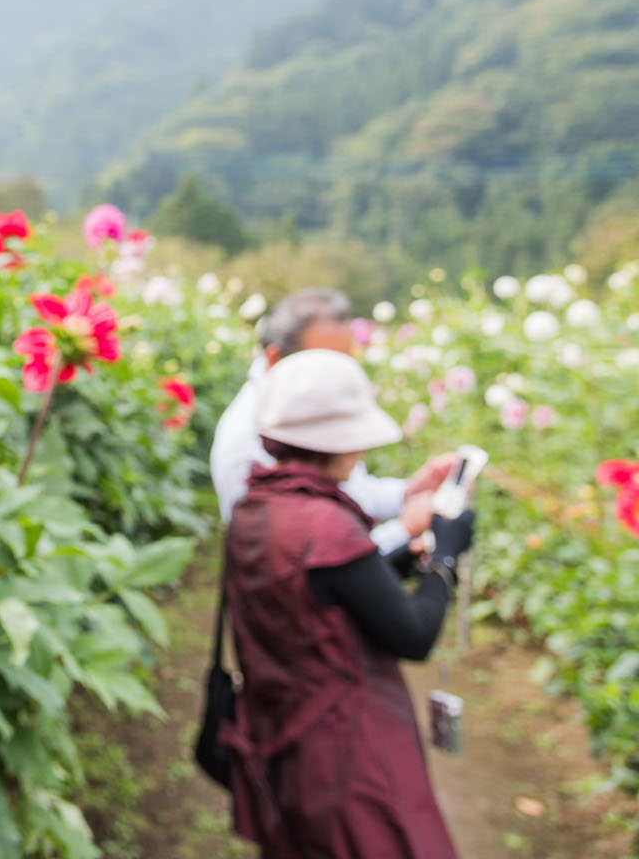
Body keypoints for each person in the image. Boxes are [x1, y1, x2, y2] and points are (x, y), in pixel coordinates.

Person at [221, 348, 472, 857]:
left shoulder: (257, 506)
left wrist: (405, 563)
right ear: (346, 441)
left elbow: (319, 593)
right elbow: (414, 635)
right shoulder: (327, 525)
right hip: (350, 754)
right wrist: (445, 554)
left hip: (284, 737)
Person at [211, 288, 451, 554]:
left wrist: (408, 494)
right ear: (274, 359)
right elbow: (295, 558)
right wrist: (404, 529)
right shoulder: (247, 438)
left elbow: (353, 492)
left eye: (347, 363)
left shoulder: (310, 413)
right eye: (326, 366)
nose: (342, 379)